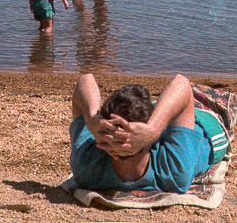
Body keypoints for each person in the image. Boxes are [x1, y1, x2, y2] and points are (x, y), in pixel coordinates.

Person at [69, 73, 217, 193]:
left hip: (173, 120)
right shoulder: (174, 174)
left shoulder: (87, 168)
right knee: (205, 99)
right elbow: (183, 84)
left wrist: (92, 118)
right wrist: (153, 129)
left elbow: (85, 78)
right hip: (207, 125)